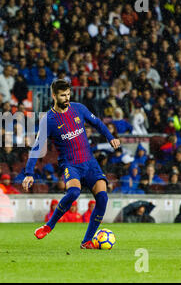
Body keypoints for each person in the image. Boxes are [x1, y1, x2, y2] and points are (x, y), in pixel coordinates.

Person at [23, 79, 120, 249]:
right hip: (71, 165)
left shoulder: (78, 108)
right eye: (62, 95)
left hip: (90, 163)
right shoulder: (49, 120)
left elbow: (97, 123)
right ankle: (48, 226)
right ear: (54, 96)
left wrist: (110, 137)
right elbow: (37, 146)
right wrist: (29, 172)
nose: (67, 98)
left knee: (103, 198)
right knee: (74, 192)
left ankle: (87, 241)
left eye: (68, 94)